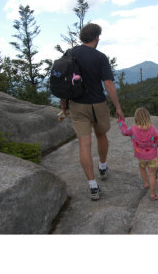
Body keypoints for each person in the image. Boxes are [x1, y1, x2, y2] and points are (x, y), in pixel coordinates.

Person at [64, 23, 124, 201]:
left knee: (84, 144)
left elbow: (65, 83)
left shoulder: (69, 54)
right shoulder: (100, 57)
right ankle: (103, 166)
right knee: (101, 136)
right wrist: (118, 107)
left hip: (77, 104)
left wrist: (63, 106)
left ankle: (92, 186)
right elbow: (108, 84)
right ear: (96, 37)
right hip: (98, 104)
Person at [117, 108, 158, 200]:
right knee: (152, 174)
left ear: (136, 118)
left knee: (142, 168)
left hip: (140, 156)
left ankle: (146, 183)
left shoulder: (133, 129)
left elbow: (124, 131)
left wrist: (121, 121)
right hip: (152, 157)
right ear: (148, 118)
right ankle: (152, 194)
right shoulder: (152, 129)